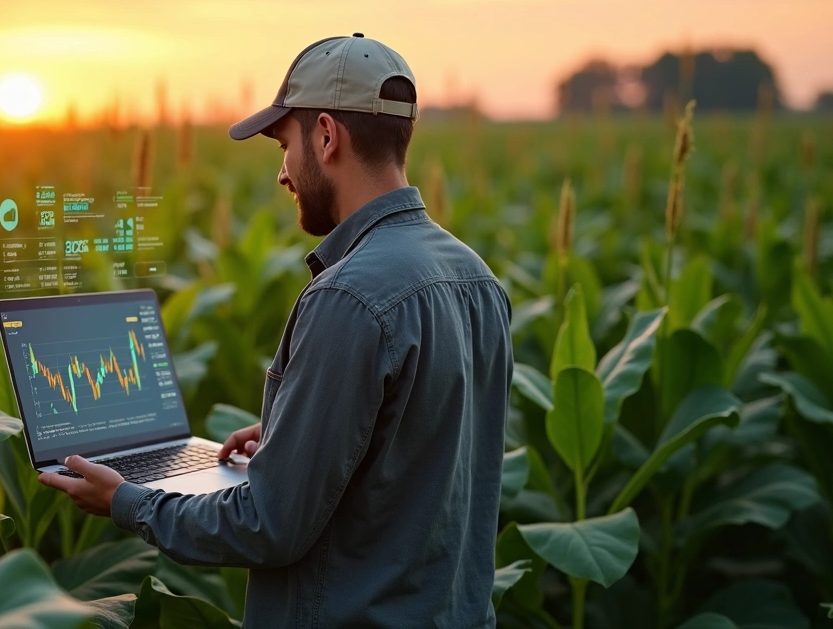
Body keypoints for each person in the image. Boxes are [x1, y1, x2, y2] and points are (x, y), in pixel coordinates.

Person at [38, 33, 512, 628]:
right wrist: (305, 432)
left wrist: (127, 501)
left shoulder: (349, 297)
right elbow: (427, 445)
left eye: (284, 145)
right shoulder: (478, 279)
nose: (283, 173)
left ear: (326, 136)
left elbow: (269, 525)